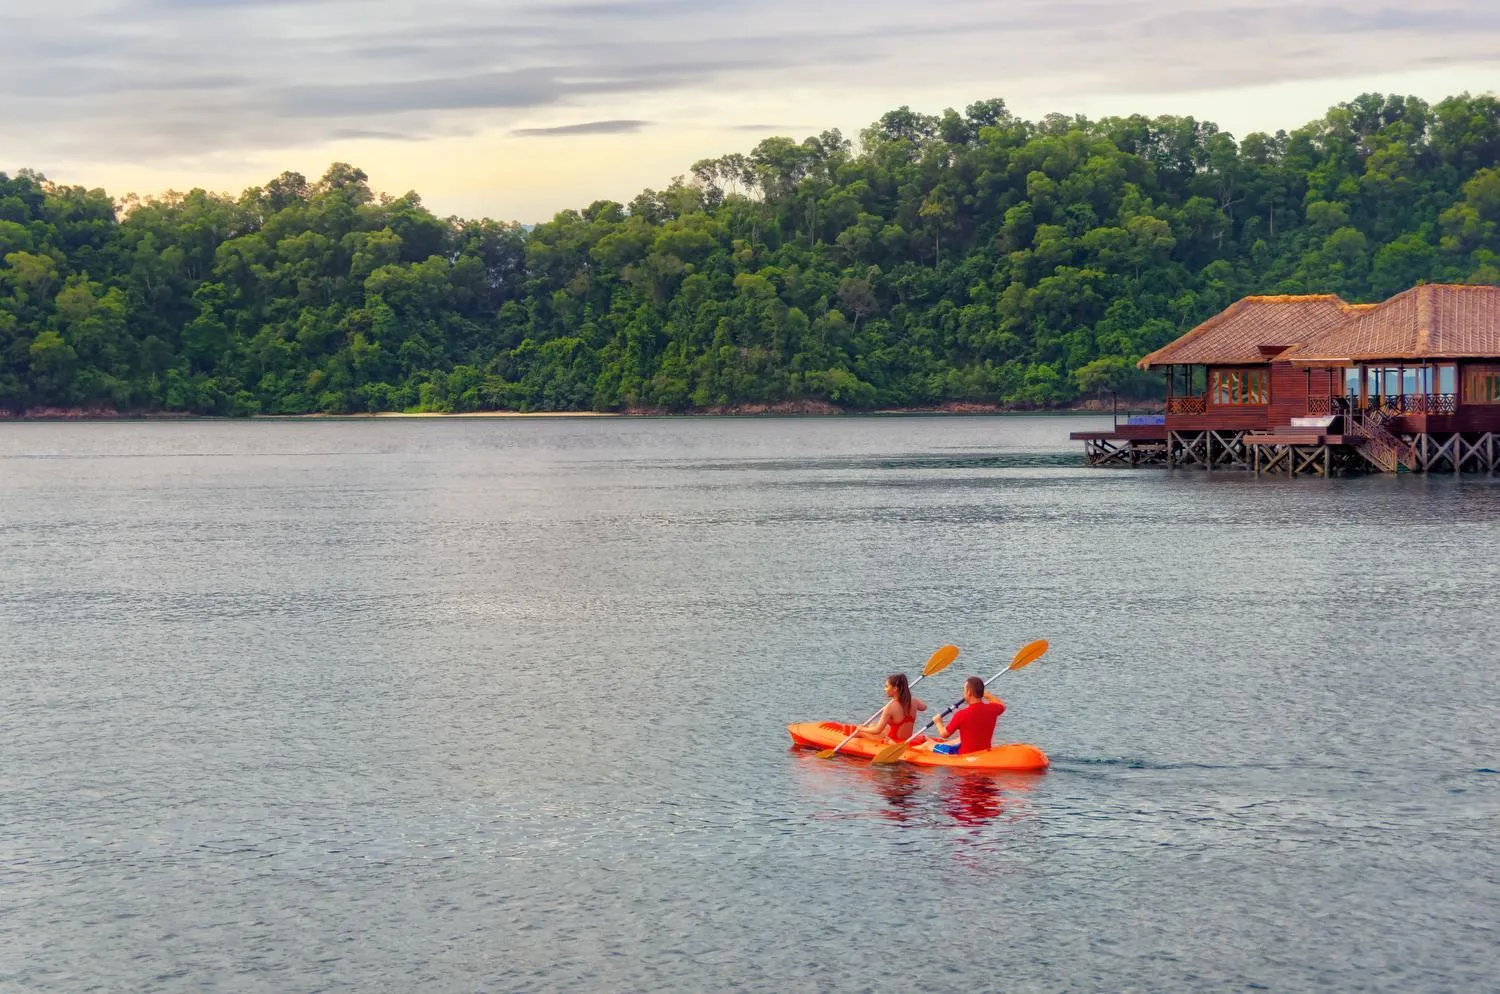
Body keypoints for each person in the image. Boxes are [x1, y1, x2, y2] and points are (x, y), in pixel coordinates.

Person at [931, 676, 1006, 754]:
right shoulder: (993, 709)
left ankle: (928, 745)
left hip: (964, 754)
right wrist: (987, 695)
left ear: (969, 692)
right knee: (959, 739)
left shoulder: (961, 714)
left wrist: (938, 722)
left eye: (964, 691)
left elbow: (944, 734)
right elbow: (1002, 705)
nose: (964, 694)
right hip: (983, 751)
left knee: (927, 745)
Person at [855, 673, 927, 743]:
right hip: (906, 740)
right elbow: (924, 707)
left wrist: (862, 728)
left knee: (861, 732)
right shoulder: (914, 701)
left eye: (886, 686)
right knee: (873, 725)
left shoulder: (890, 708)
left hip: (891, 742)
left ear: (895, 688)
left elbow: (877, 730)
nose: (884, 689)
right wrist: (907, 695)